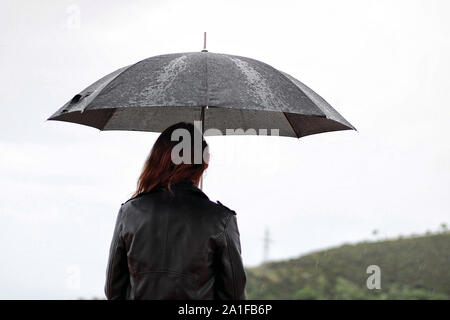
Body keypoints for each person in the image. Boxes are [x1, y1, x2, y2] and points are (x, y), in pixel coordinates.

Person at [104, 122, 246, 300]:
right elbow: (233, 297)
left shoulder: (129, 212)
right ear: (205, 163)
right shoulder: (221, 219)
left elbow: (113, 290)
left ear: (157, 160)